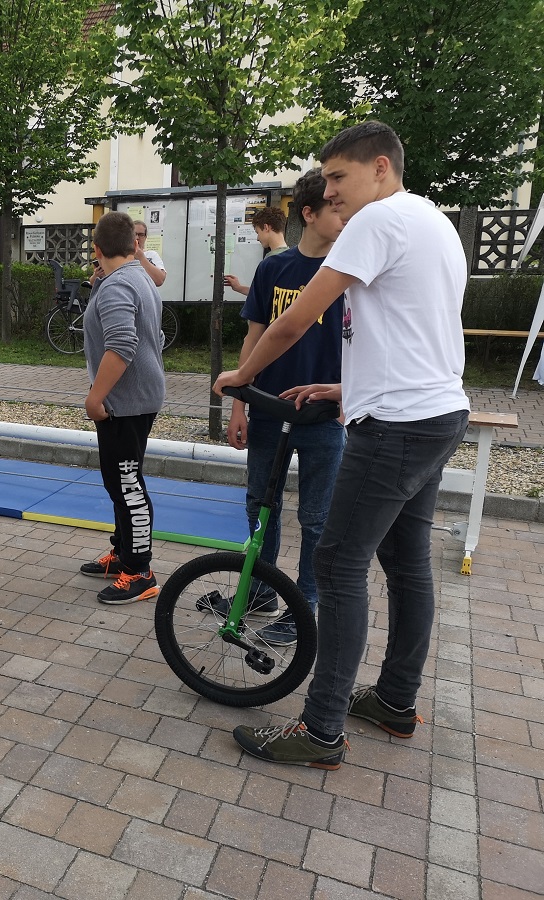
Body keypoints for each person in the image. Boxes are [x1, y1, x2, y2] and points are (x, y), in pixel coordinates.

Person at [216, 121, 470, 769]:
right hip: (437, 411)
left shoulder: (376, 220)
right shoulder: (432, 220)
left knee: (337, 563)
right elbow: (411, 330)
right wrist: (345, 386)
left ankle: (322, 728)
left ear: (380, 167)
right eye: (325, 181)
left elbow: (297, 318)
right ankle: (395, 700)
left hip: (396, 426)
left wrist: (242, 377)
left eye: (338, 177)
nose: (328, 192)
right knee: (406, 563)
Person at [224, 169, 347, 645]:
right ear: (308, 214)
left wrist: (347, 395)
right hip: (268, 410)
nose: (344, 215)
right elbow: (254, 337)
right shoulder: (274, 269)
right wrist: (240, 405)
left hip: (322, 417)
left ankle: (304, 607)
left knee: (317, 519)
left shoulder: (350, 272)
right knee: (261, 505)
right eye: (335, 207)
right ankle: (260, 592)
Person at [78, 211, 167, 605]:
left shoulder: (119, 285)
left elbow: (122, 345)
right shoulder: (137, 277)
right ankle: (124, 553)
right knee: (119, 482)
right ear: (134, 245)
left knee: (128, 485)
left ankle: (140, 572)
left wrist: (95, 397)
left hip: (125, 402)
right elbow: (153, 336)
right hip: (135, 397)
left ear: (97, 249)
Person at [225, 206, 289, 296]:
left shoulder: (271, 261)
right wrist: (239, 287)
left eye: (258, 232)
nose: (257, 238)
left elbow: (262, 296)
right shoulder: (293, 259)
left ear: (266, 227)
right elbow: (264, 293)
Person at [131, 220, 167, 287]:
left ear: (145, 237)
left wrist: (141, 258)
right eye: (134, 234)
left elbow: (159, 280)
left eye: (141, 235)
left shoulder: (151, 255)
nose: (137, 238)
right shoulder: (122, 256)